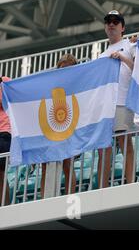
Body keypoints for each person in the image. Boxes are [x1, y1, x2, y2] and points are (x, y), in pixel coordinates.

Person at [97, 10, 135, 188]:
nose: (111, 24)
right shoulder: (101, 55)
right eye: (108, 22)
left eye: (115, 21)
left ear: (122, 27)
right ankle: (102, 188)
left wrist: (122, 58)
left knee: (124, 141)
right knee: (103, 147)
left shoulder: (130, 45)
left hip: (122, 100)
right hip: (106, 105)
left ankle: (131, 184)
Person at [40, 54, 78, 197]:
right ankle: (44, 200)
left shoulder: (80, 86)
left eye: (68, 68)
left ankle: (70, 197)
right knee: (45, 164)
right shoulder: (52, 87)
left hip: (69, 129)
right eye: (62, 69)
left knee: (67, 163)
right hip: (52, 128)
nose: (65, 71)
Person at [0, 76, 11, 206]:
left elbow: (7, 100)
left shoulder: (5, 81)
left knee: (1, 171)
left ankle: (5, 205)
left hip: (4, 131)